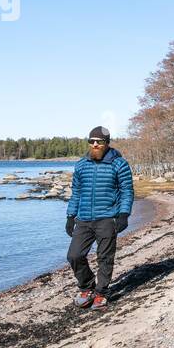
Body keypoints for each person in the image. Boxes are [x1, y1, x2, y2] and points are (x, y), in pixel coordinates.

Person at [66, 126, 134, 310]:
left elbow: (127, 191)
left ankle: (101, 293)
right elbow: (76, 192)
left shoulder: (119, 164)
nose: (95, 144)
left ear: (107, 143)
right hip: (84, 219)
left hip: (107, 218)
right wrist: (70, 216)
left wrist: (124, 214)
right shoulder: (81, 165)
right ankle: (87, 287)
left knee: (105, 257)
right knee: (74, 255)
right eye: (92, 141)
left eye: (99, 141)